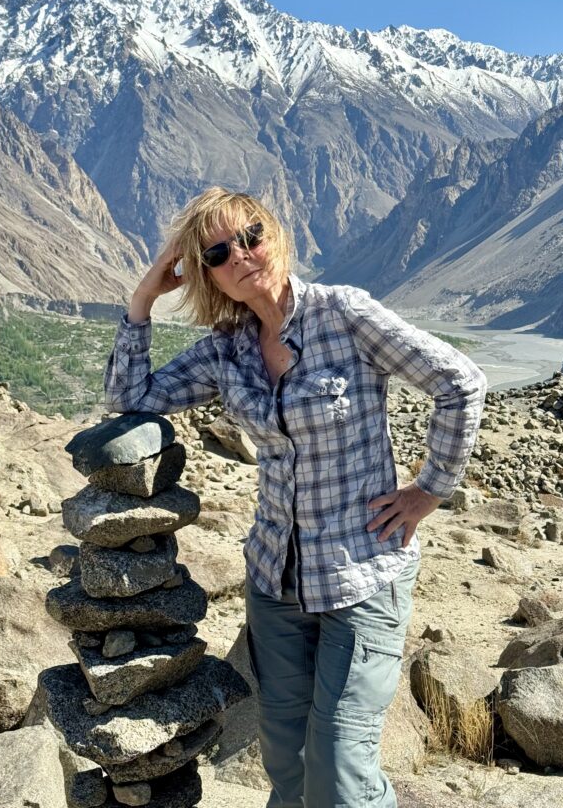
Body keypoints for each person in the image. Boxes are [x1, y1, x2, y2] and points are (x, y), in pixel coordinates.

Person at [104, 186, 487, 808]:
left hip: (361, 575)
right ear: (208, 277)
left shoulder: (345, 315)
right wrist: (144, 296)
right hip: (274, 581)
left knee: (340, 766)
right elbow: (129, 399)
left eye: (252, 234)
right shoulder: (226, 352)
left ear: (275, 232)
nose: (244, 254)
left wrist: (429, 490)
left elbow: (460, 382)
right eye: (220, 252)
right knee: (286, 762)